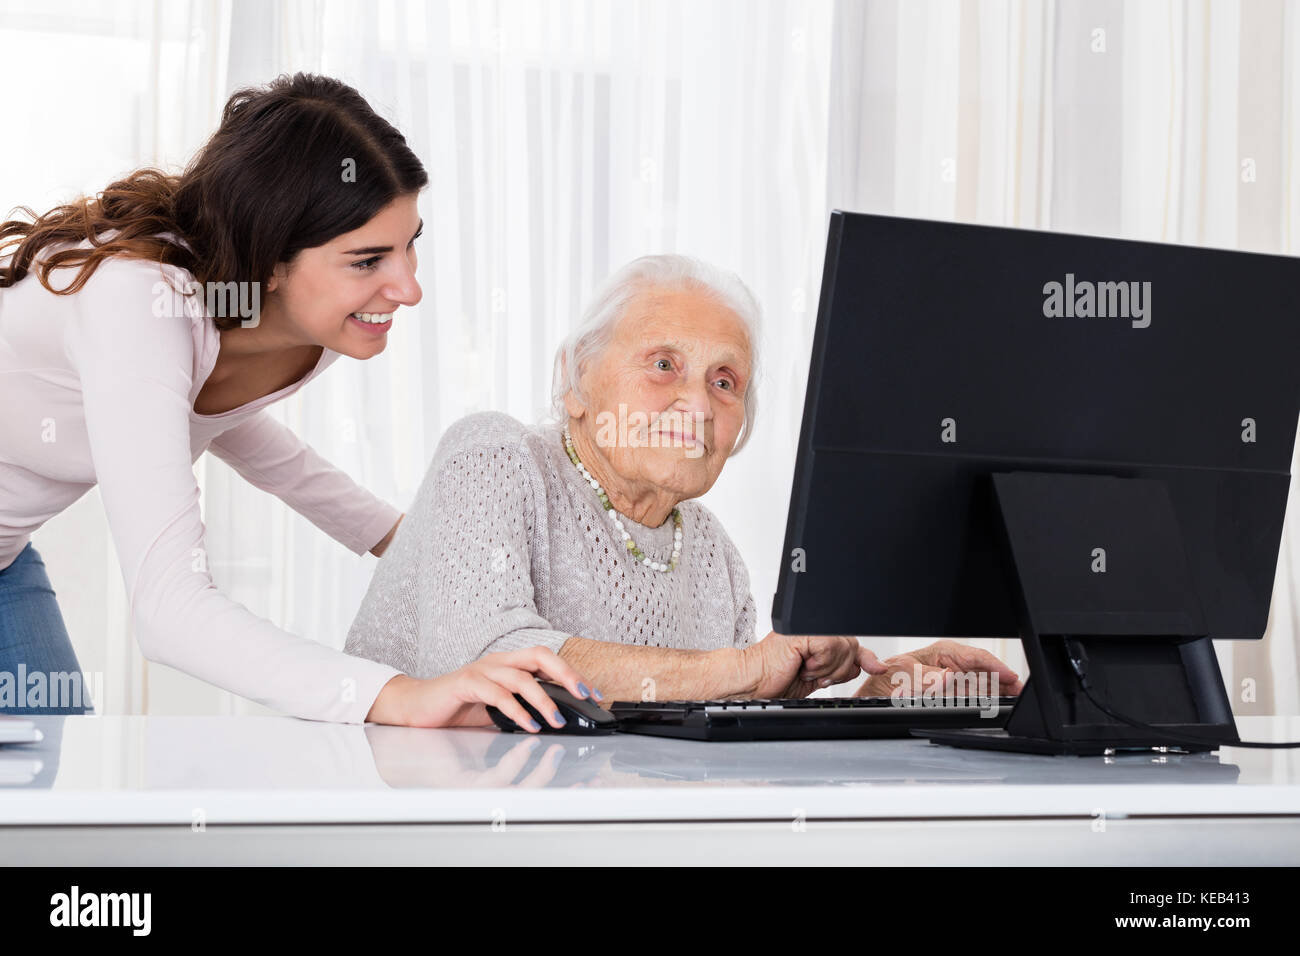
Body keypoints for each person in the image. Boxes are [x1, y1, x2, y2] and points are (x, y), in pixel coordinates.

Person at [0, 73, 588, 731]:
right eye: (368, 260)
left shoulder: (299, 318)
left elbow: (241, 433)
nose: (408, 288)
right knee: (48, 805)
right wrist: (397, 696)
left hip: (5, 558)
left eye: (410, 244)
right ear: (271, 259)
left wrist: (411, 542)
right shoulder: (139, 305)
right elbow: (168, 611)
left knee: (49, 794)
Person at [345, 254, 1024, 701]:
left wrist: (877, 697)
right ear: (575, 380)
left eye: (724, 382)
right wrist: (745, 670)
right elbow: (497, 660)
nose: (697, 406)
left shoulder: (711, 553)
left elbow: (707, 730)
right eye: (663, 364)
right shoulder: (494, 458)